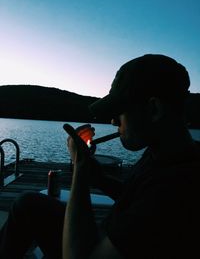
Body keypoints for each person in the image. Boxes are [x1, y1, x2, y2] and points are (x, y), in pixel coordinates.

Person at [0, 54, 200, 259]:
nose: (113, 121)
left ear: (153, 109)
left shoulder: (178, 186)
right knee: (27, 205)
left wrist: (80, 168)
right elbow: (135, 196)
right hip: (108, 235)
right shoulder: (165, 152)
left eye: (120, 112)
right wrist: (100, 179)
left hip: (93, 249)